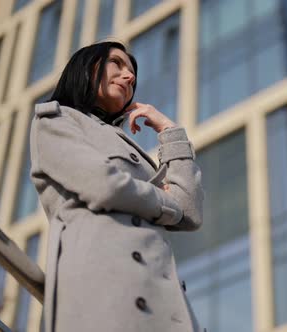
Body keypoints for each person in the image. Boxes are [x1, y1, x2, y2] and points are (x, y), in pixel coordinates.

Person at [29, 41, 204, 332]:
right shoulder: (55, 120)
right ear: (86, 67)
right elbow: (104, 185)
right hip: (105, 287)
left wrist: (169, 132)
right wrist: (163, 199)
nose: (130, 76)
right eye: (117, 63)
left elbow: (189, 211)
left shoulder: (130, 146)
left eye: (133, 72)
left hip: (161, 300)